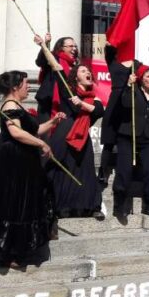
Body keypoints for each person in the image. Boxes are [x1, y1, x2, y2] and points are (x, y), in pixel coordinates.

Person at [0, 71, 62, 267]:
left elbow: (32, 130)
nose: (28, 87)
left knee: (24, 203)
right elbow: (16, 132)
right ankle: (8, 252)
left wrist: (53, 121)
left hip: (24, 160)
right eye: (25, 83)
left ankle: (19, 249)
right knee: (13, 203)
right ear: (15, 87)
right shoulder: (9, 105)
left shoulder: (17, 106)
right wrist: (42, 145)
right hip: (14, 160)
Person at [47, 64, 104, 220]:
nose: (88, 73)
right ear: (75, 76)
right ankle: (58, 207)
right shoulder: (69, 89)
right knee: (60, 170)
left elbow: (99, 111)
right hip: (65, 133)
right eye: (83, 71)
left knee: (85, 171)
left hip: (82, 137)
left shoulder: (94, 97)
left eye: (89, 71)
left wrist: (82, 103)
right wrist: (45, 45)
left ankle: (90, 207)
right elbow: (58, 72)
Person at [116, 65, 149, 220]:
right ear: (141, 77)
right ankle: (120, 205)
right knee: (124, 172)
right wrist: (128, 85)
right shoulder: (133, 91)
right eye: (148, 76)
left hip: (147, 137)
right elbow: (124, 104)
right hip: (128, 135)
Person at [98, 44, 136, 187]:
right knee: (109, 140)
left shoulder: (134, 63)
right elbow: (108, 46)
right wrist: (114, 39)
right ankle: (103, 172)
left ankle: (126, 172)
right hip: (115, 99)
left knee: (125, 139)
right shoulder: (112, 60)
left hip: (128, 100)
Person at [33, 34, 79, 122]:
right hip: (48, 102)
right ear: (61, 48)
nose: (74, 49)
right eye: (70, 46)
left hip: (66, 103)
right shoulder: (54, 58)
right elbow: (40, 61)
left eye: (75, 46)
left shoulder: (74, 65)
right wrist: (45, 44)